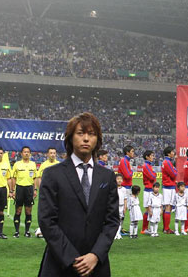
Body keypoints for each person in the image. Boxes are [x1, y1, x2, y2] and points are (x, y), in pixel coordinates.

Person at [38, 112, 120, 276]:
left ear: (97, 140)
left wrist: (95, 255)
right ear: (70, 138)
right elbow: (47, 220)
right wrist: (72, 258)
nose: (86, 139)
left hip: (96, 266)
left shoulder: (107, 177)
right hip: (59, 265)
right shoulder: (52, 174)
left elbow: (112, 221)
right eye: (80, 133)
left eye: (92, 134)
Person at [12, 146, 38, 238]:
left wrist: (35, 190)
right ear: (21, 153)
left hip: (29, 189)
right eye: (24, 152)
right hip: (19, 188)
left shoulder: (33, 164)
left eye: (28, 152)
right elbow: (13, 178)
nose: (26, 153)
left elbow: (35, 178)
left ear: (30, 154)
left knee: (28, 211)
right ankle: (16, 231)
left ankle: (27, 231)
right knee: (18, 210)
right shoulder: (17, 164)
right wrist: (13, 190)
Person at [161, 146, 177, 234]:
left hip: (168, 186)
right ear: (168, 153)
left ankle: (165, 227)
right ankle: (166, 229)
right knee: (168, 207)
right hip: (168, 187)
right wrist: (175, 169)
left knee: (168, 207)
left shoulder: (167, 162)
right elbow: (174, 174)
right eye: (172, 152)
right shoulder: (167, 162)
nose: (173, 153)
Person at [141, 150, 156, 234]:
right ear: (147, 157)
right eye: (152, 155)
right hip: (148, 190)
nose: (153, 157)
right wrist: (154, 173)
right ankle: (144, 229)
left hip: (150, 189)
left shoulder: (149, 165)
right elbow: (152, 176)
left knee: (151, 209)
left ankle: (148, 228)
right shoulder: (146, 166)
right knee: (148, 209)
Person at [115, 174, 127, 240]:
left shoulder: (124, 189)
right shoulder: (113, 188)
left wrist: (125, 207)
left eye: (120, 179)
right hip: (115, 206)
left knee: (120, 220)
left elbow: (125, 199)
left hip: (121, 206)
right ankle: (115, 234)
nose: (119, 180)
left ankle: (118, 233)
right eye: (118, 179)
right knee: (115, 220)